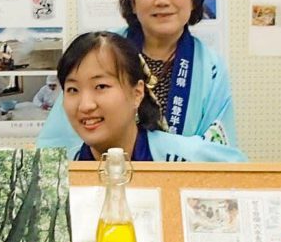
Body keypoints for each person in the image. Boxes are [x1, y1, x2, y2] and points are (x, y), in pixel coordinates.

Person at [37, 0, 237, 150]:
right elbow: (60, 140)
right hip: (102, 176)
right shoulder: (100, 51)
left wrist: (152, 149)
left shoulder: (211, 68)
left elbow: (219, 150)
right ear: (132, 1)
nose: (162, 0)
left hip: (178, 180)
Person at [40, 31, 246, 163]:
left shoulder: (184, 159)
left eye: (101, 86)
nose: (85, 105)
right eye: (73, 90)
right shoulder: (62, 171)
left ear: (137, 93)